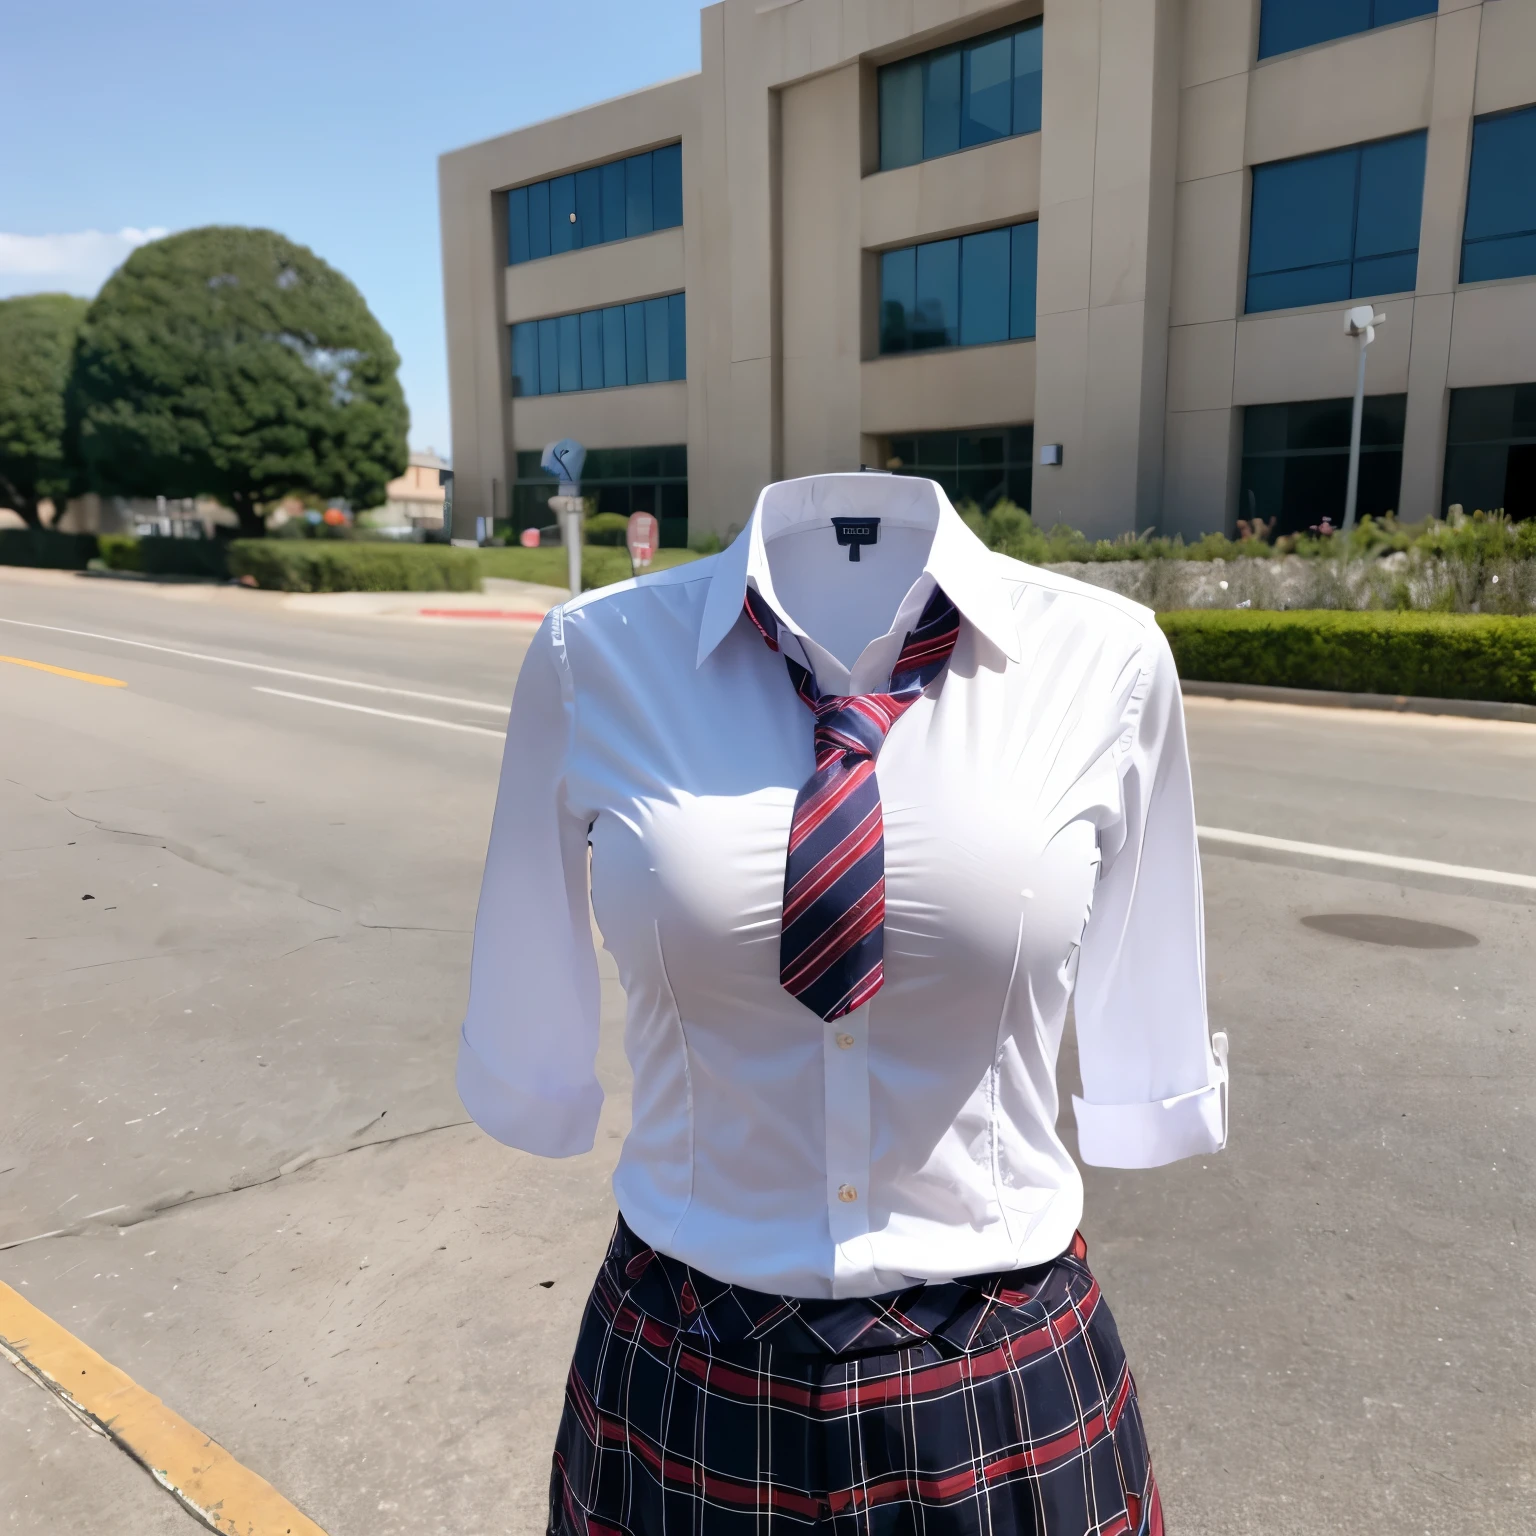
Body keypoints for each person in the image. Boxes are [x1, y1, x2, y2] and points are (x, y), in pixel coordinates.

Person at [459, 472, 1228, 1535]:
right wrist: (529, 1081)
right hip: (685, 1363)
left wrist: (1154, 1095)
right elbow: (526, 984)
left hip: (998, 1370)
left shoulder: (1107, 661)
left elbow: (1148, 999)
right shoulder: (592, 659)